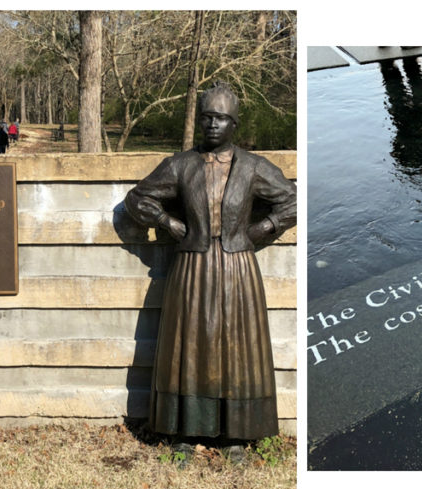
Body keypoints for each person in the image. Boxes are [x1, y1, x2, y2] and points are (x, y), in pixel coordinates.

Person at [124, 83, 297, 442]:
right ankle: (183, 430)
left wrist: (263, 228)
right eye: (206, 118)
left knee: (239, 345)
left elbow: (292, 201)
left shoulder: (253, 167)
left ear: (233, 124)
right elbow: (137, 198)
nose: (212, 125)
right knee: (187, 346)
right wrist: (167, 222)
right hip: (192, 267)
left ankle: (237, 433)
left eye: (220, 119)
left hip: (238, 269)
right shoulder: (180, 165)